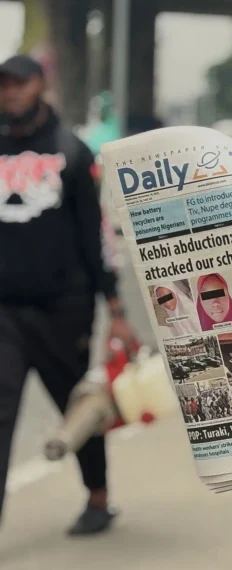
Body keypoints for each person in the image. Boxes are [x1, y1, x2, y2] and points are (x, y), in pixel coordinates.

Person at [0, 54, 138, 535]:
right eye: (4, 85)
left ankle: (98, 499)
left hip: (64, 309)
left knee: (78, 406)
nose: (10, 92)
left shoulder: (72, 152)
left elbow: (95, 235)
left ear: (40, 85)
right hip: (6, 312)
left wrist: (115, 308)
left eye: (19, 84)